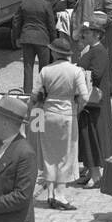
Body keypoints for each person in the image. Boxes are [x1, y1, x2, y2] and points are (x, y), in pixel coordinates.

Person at [32, 36, 91, 211]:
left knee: (49, 153)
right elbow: (85, 96)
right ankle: (60, 194)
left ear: (54, 52)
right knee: (66, 155)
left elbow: (35, 96)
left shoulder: (45, 70)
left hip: (48, 114)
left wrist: (32, 116)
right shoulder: (76, 71)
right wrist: (77, 108)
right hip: (67, 115)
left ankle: (50, 192)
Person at [75, 17, 112, 188]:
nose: (85, 35)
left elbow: (96, 74)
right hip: (88, 102)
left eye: (88, 32)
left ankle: (96, 175)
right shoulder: (90, 49)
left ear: (97, 35)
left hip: (94, 103)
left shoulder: (99, 51)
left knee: (93, 136)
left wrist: (79, 72)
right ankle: (91, 170)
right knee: (86, 136)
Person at [12, 0, 56, 91]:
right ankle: (42, 91)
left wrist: (16, 37)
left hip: (27, 38)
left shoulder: (25, 3)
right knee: (44, 68)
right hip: (43, 39)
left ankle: (27, 92)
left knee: (28, 67)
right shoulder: (46, 5)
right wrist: (53, 41)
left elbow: (16, 22)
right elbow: (51, 25)